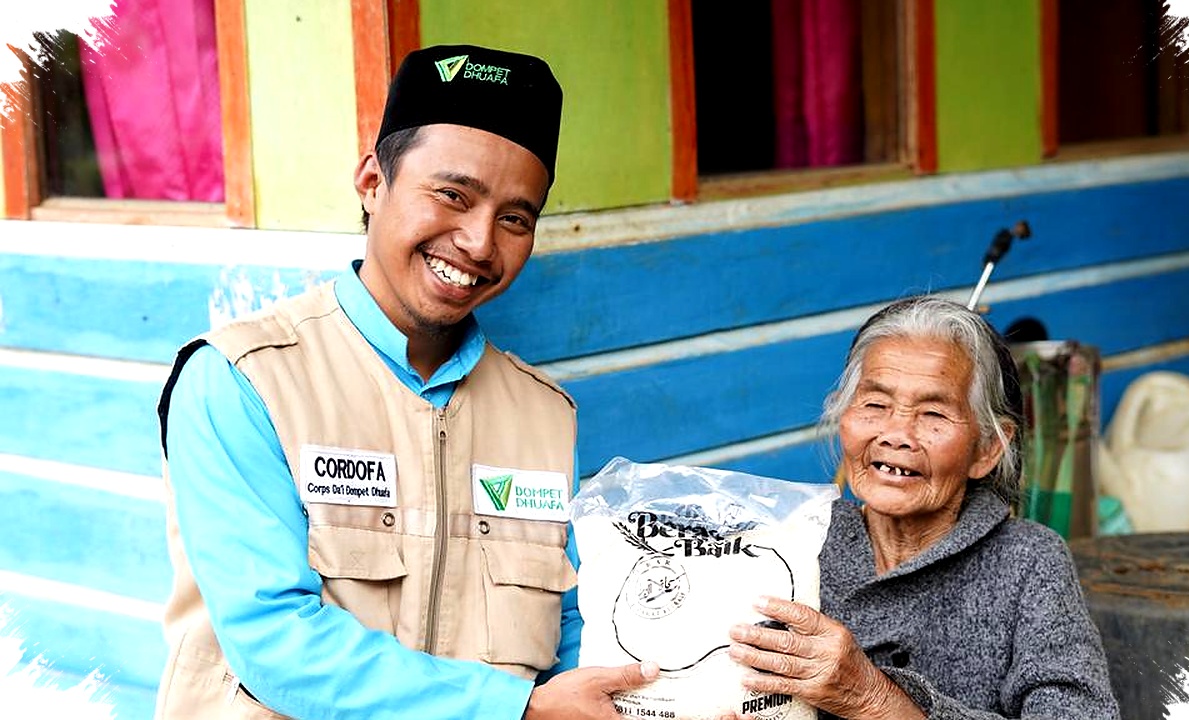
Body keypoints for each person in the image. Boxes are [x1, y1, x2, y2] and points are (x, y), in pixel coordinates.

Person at [154, 44, 658, 719]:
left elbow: (576, 630)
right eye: (453, 195)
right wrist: (517, 709)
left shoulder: (544, 414)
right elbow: (273, 642)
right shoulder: (244, 380)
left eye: (515, 218)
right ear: (372, 182)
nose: (480, 243)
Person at [725, 296, 1120, 719]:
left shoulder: (1028, 562)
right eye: (875, 405)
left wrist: (872, 698)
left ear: (987, 448)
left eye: (933, 413)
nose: (896, 434)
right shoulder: (793, 545)